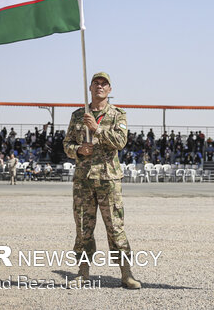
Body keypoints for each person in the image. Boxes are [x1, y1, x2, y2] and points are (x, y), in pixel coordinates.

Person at [63, 72, 140, 289]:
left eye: (103, 84)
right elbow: (66, 144)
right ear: (90, 88)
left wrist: (98, 129)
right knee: (82, 227)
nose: (99, 86)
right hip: (84, 181)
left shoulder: (117, 115)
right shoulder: (78, 115)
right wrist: (78, 150)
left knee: (115, 227)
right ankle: (83, 273)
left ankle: (126, 274)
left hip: (108, 180)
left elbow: (121, 141)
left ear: (109, 89)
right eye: (96, 83)